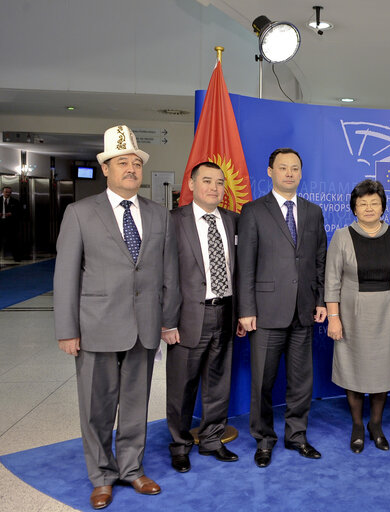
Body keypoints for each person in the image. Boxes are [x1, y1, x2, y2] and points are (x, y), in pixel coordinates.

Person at [53, 125, 180, 509]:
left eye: (135, 163)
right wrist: (66, 329)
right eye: (121, 162)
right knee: (96, 407)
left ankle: (131, 469)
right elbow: (66, 275)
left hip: (144, 326)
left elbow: (169, 274)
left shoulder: (160, 215)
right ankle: (102, 476)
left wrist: (167, 319)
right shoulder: (80, 213)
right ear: (105, 169)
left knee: (136, 403)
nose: (130, 169)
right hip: (96, 326)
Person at [237, 147, 327, 468]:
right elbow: (245, 264)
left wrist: (319, 300)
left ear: (301, 173)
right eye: (283, 167)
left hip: (303, 310)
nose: (289, 173)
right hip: (265, 310)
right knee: (263, 381)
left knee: (301, 380)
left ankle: (297, 435)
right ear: (271, 172)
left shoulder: (313, 212)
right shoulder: (253, 211)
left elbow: (319, 260)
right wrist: (246, 309)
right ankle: (263, 439)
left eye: (295, 168)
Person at [165, 161, 246, 473]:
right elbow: (165, 275)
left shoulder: (234, 221)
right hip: (186, 317)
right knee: (181, 387)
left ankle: (212, 439)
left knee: (218, 382)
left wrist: (240, 313)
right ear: (191, 184)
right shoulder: (173, 221)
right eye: (207, 181)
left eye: (220, 182)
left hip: (224, 312)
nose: (214, 188)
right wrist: (167, 321)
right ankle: (180, 445)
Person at [325, 179, 390, 453]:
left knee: (382, 370)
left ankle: (375, 424)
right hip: (351, 315)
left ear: (383, 207)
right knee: (353, 370)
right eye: (362, 203)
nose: (368, 208)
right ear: (354, 207)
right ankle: (356, 425)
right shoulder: (341, 236)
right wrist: (334, 317)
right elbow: (332, 281)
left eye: (374, 203)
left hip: (387, 314)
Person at [0, 185, 22, 261]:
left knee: (13, 242)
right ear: (2, 192)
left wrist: (11, 214)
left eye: (9, 192)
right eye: (6, 192)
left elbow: (20, 212)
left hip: (11, 225)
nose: (8, 194)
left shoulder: (15, 201)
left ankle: (17, 257)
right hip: (0, 224)